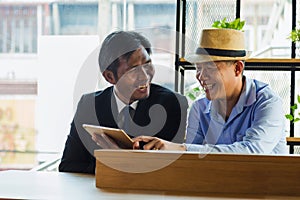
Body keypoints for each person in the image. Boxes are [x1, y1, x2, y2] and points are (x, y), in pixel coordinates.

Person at [133, 28, 288, 154]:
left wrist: (181, 148)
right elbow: (192, 160)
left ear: (237, 68)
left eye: (210, 67)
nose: (201, 76)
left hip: (268, 187)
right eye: (198, 68)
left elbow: (252, 151)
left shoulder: (267, 103)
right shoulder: (199, 108)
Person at [58, 31, 188, 174]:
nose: (145, 76)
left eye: (147, 64)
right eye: (133, 70)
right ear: (109, 77)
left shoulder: (172, 104)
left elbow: (169, 171)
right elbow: (68, 165)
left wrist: (118, 158)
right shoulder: (89, 104)